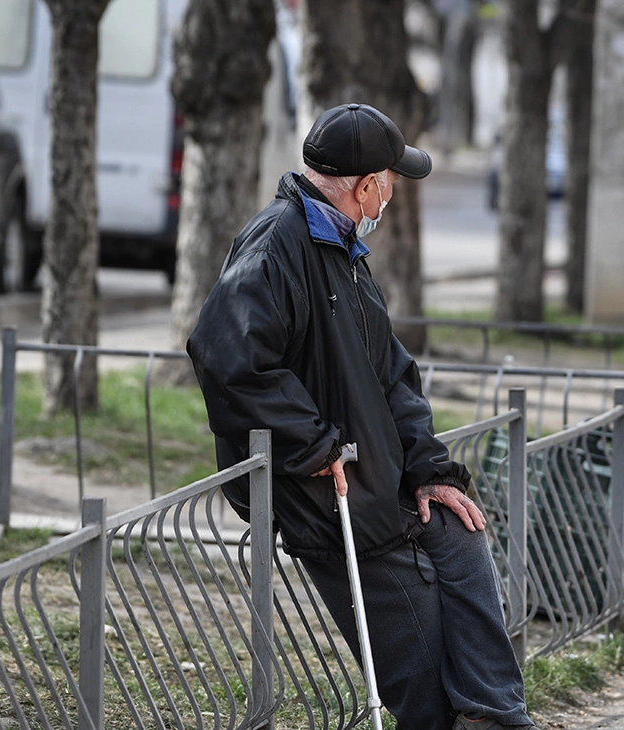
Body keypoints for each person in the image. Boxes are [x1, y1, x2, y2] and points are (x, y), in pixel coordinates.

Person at [188, 103, 539, 730]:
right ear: (365, 186)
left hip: (381, 476)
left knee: (462, 539)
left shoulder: (344, 249)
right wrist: (314, 442)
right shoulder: (278, 246)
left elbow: (392, 375)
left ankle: (497, 718)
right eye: (392, 180)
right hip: (331, 491)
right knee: (423, 663)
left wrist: (432, 468)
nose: (395, 193)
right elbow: (226, 358)